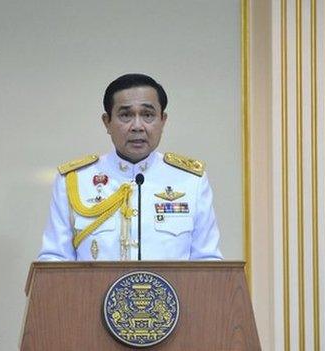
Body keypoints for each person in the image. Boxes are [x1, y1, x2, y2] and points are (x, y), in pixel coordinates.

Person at [37, 73, 222, 261]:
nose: (137, 126)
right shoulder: (75, 180)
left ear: (162, 121)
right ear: (107, 122)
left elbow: (208, 262)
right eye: (125, 115)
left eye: (148, 115)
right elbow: (54, 261)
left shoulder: (190, 181)